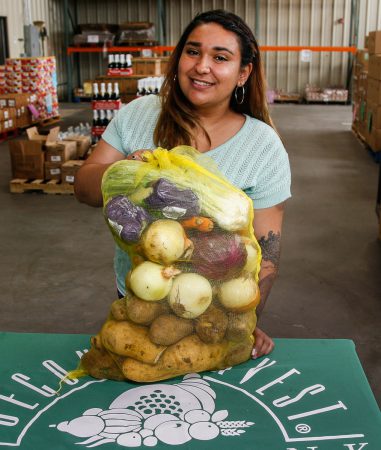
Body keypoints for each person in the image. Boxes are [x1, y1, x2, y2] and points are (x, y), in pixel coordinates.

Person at [75, 9, 291, 360]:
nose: (201, 66)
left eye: (220, 57)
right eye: (193, 52)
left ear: (243, 73)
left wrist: (242, 320)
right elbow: (82, 188)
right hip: (140, 296)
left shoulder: (263, 147)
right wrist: (127, 173)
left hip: (215, 305)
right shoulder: (138, 115)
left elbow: (267, 253)